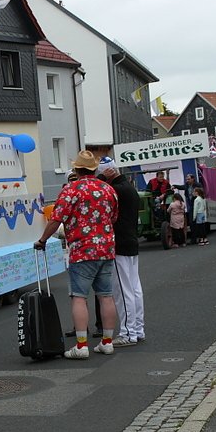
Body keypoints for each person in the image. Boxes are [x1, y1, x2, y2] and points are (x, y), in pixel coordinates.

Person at [34, 150, 118, 359]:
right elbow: (114, 217)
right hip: (106, 249)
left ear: (76, 169)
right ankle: (107, 342)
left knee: (79, 297)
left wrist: (42, 240)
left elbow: (56, 219)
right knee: (106, 296)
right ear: (93, 168)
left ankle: (81, 345)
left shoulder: (72, 190)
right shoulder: (108, 189)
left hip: (82, 250)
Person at [97, 158, 144, 346]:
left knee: (123, 291)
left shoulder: (114, 190)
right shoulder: (129, 187)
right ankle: (138, 329)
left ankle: (128, 333)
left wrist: (100, 178)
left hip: (120, 244)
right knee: (134, 289)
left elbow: (98, 193)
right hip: (131, 242)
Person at [173, 174, 202, 244]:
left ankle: (201, 238)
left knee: (199, 222)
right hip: (191, 205)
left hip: (198, 205)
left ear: (193, 179)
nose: (187, 180)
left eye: (188, 179)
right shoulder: (187, 185)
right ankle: (193, 239)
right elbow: (181, 187)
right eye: (186, 179)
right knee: (192, 223)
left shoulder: (198, 185)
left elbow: (202, 193)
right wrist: (175, 186)